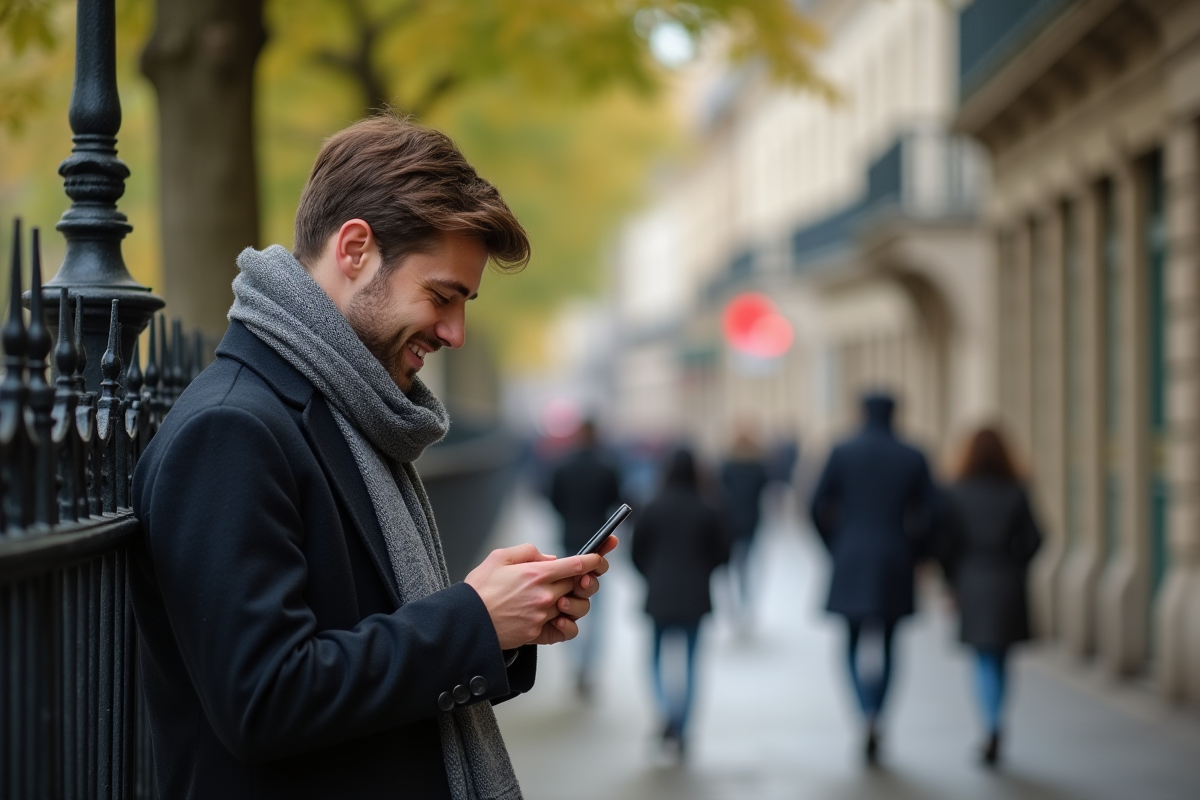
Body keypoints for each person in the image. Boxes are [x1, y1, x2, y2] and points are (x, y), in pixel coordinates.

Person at [130, 114, 616, 800]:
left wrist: (504, 625)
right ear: (355, 248)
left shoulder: (345, 411)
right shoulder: (231, 428)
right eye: (442, 296)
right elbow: (263, 699)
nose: (455, 331)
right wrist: (472, 618)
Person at [809, 392, 936, 766]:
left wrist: (834, 544)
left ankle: (863, 711)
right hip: (896, 557)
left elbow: (815, 504)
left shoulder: (842, 451)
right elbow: (934, 510)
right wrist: (918, 552)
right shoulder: (913, 454)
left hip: (851, 555)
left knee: (849, 641)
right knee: (891, 642)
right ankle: (878, 713)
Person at [935, 426, 1042, 767]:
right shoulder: (1016, 490)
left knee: (983, 658)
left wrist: (951, 580)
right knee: (1001, 658)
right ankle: (997, 723)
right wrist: (1017, 565)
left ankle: (991, 724)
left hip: (973, 579)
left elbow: (945, 543)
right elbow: (1037, 537)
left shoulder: (956, 492)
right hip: (1007, 578)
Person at [631, 448, 730, 758]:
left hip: (659, 594)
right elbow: (722, 554)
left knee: (655, 659)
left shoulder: (652, 507)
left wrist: (651, 576)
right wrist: (702, 573)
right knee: (690, 662)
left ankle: (665, 713)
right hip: (696, 596)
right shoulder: (708, 509)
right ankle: (682, 724)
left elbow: (636, 552)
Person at [548, 418, 622, 700]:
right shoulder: (608, 467)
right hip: (598, 544)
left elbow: (553, 500)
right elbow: (616, 500)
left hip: (569, 542)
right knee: (597, 607)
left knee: (565, 605)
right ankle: (590, 666)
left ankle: (576, 663)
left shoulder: (562, 467)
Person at [718, 427, 770, 629]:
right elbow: (765, 488)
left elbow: (720, 492)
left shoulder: (728, 465)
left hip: (731, 522)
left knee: (731, 565)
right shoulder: (758, 465)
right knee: (747, 564)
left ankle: (733, 606)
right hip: (751, 521)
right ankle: (745, 602)